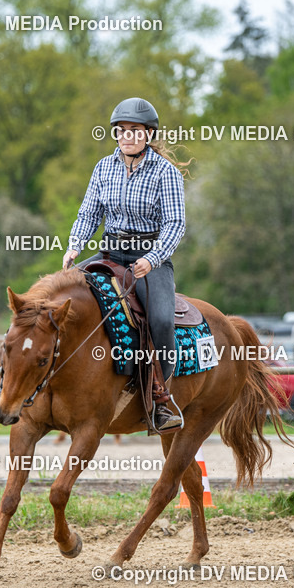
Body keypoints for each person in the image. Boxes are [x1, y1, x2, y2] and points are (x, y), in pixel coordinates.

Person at [62, 97, 189, 431]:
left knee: (161, 320)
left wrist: (153, 258)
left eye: (136, 130)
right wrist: (74, 246)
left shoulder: (166, 173)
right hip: (110, 254)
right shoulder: (103, 167)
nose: (128, 136)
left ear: (148, 134)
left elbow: (175, 224)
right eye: (123, 130)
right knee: (58, 295)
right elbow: (89, 212)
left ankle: (162, 398)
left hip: (150, 259)